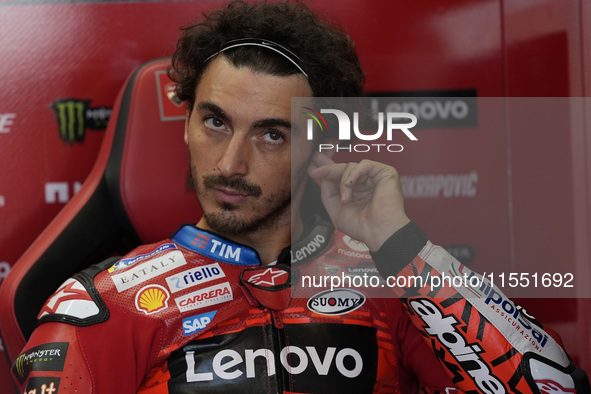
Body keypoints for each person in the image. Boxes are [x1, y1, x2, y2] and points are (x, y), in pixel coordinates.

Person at [11, 1, 589, 393]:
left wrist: (400, 246)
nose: (231, 164)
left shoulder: (391, 288)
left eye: (271, 133)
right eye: (214, 122)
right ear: (185, 123)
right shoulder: (106, 304)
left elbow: (552, 385)